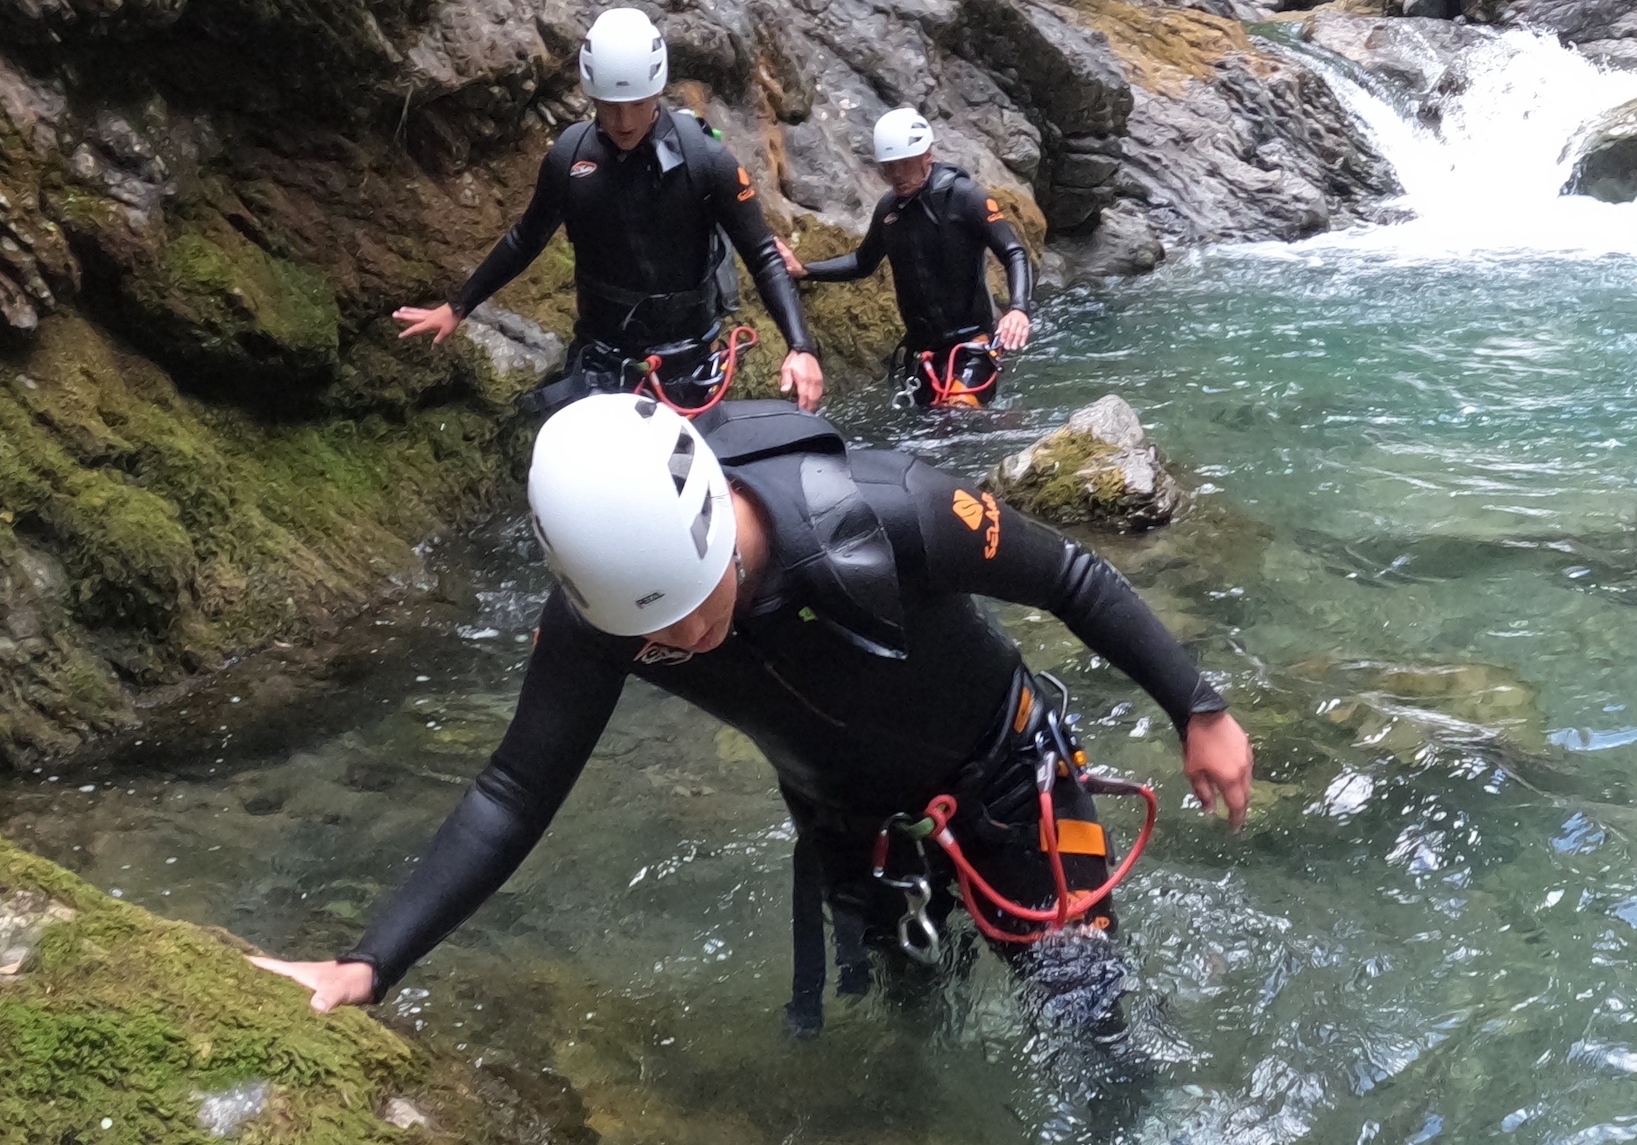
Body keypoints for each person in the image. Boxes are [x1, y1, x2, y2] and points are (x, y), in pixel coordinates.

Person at [252, 394, 1253, 1041]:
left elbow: (1068, 574)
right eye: (654, 635)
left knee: (1085, 1018)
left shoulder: (886, 511)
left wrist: (1197, 710)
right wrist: (369, 960)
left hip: (1005, 773)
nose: (686, 639)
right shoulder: (604, 614)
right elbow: (514, 789)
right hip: (849, 824)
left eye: (697, 600)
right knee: (908, 1021)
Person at [395, 7, 824, 413]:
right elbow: (526, 239)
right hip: (599, 353)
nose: (623, 121)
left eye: (637, 104)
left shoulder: (706, 161)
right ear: (591, 94)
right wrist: (458, 307)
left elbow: (763, 255)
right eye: (609, 105)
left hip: (688, 357)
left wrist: (801, 346)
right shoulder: (570, 156)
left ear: (657, 91)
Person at [777, 108, 1029, 409]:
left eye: (905, 165)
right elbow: (862, 262)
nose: (897, 175)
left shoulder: (965, 198)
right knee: (930, 435)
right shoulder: (889, 210)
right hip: (922, 353)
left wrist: (1018, 309)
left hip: (971, 345)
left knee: (956, 422)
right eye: (889, 167)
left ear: (927, 156)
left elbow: (1013, 251)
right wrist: (804, 270)